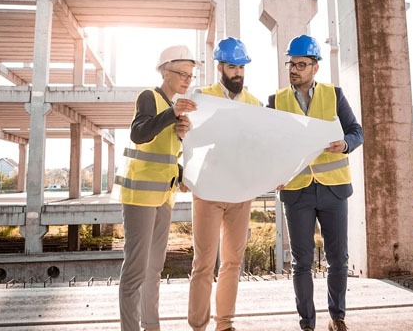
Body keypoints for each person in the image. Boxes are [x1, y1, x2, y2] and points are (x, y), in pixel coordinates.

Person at [267, 35, 363, 331]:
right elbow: (267, 143)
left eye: (301, 64)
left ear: (315, 67)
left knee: (338, 259)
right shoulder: (276, 101)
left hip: (333, 189)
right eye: (291, 64)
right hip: (297, 191)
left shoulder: (334, 95)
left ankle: (338, 317)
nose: (294, 69)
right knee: (302, 262)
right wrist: (273, 174)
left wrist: (345, 144)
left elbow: (356, 131)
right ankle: (307, 323)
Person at [116, 45, 199, 331]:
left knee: (154, 270)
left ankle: (152, 326)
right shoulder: (149, 97)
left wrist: (181, 175)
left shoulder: (174, 108)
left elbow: (165, 156)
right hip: (140, 196)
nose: (187, 79)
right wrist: (171, 116)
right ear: (165, 71)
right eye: (181, 73)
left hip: (164, 197)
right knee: (136, 271)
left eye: (191, 75)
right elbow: (139, 133)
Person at [188, 37, 262, 331]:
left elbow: (263, 146)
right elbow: (188, 141)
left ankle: (225, 324)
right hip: (208, 191)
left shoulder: (254, 103)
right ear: (220, 67)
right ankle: (198, 325)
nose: (238, 73)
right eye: (233, 66)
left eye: (242, 67)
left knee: (232, 262)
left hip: (241, 192)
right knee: (204, 262)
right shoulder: (201, 97)